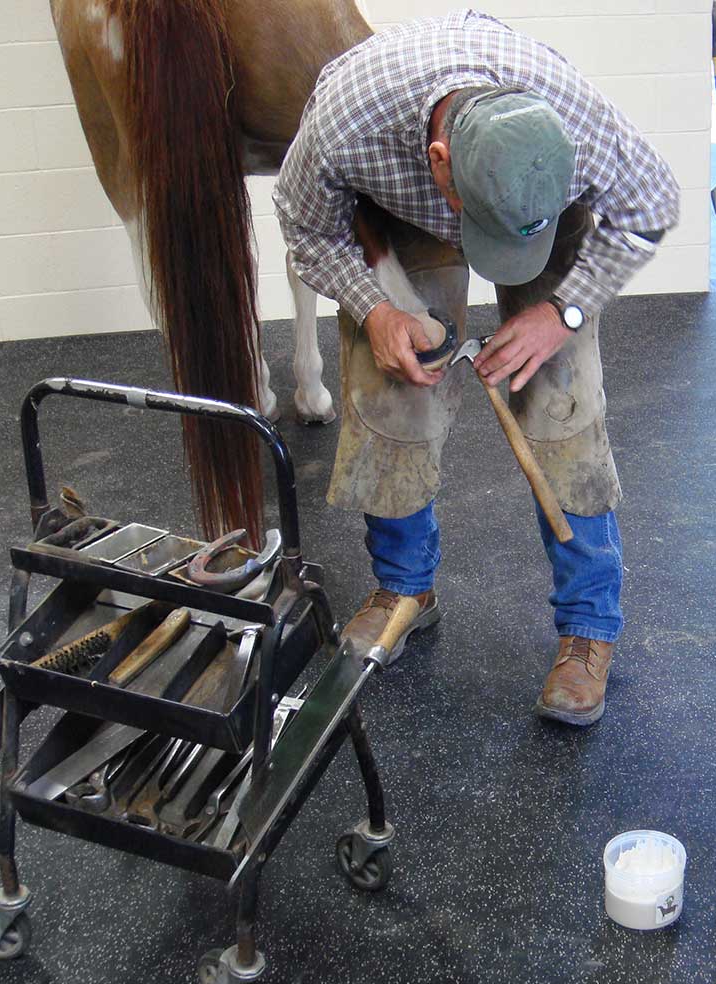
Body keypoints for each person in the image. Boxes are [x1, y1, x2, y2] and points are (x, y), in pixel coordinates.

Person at [273, 9, 680, 726]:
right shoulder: (346, 124)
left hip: (539, 211)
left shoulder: (580, 130)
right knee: (394, 395)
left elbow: (654, 205)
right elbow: (304, 227)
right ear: (438, 160)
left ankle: (589, 627)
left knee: (564, 407)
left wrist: (564, 313)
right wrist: (376, 310)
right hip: (396, 203)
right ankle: (405, 589)